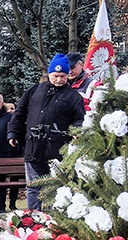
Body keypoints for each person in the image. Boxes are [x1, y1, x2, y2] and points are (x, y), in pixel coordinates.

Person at [8, 54, 86, 211]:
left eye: (63, 76)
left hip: (57, 151)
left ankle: (53, 220)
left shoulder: (73, 97)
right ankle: (33, 219)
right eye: (55, 76)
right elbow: (19, 113)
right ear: (49, 74)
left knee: (56, 188)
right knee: (33, 186)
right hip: (33, 147)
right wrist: (13, 133)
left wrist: (77, 132)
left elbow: (80, 119)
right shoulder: (33, 91)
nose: (59, 79)